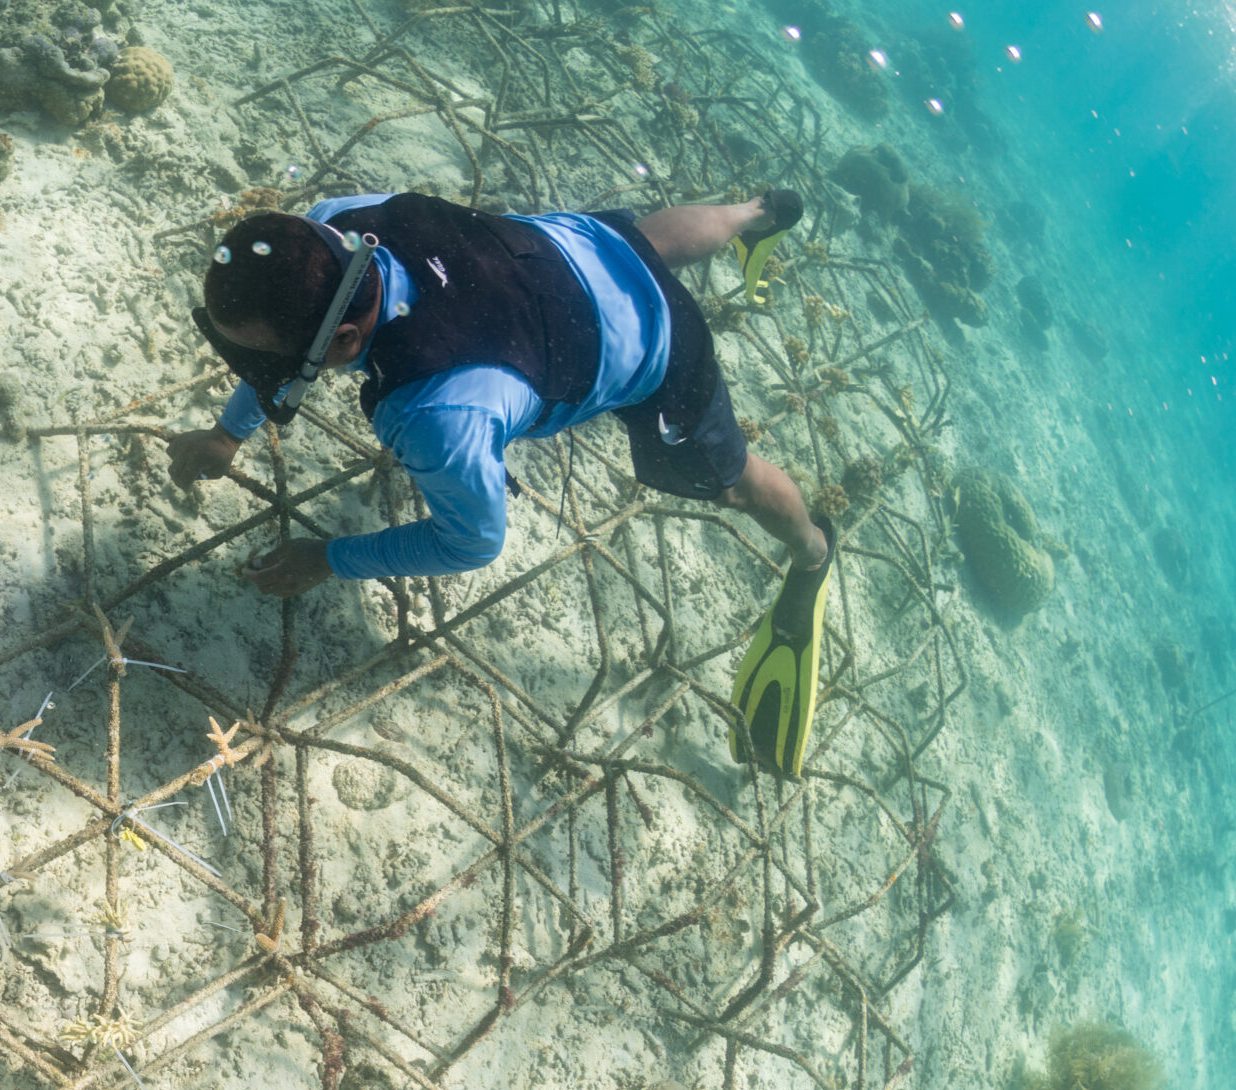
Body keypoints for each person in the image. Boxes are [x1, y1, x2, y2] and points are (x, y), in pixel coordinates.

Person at [166, 190, 835, 778]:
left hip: (660, 354)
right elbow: (290, 345)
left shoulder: (436, 416)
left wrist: (328, 558)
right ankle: (756, 213)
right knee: (645, 244)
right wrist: (231, 433)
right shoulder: (337, 223)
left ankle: (812, 548)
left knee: (735, 483)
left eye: (255, 363)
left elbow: (473, 542)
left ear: (344, 341)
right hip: (582, 248)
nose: (248, 370)